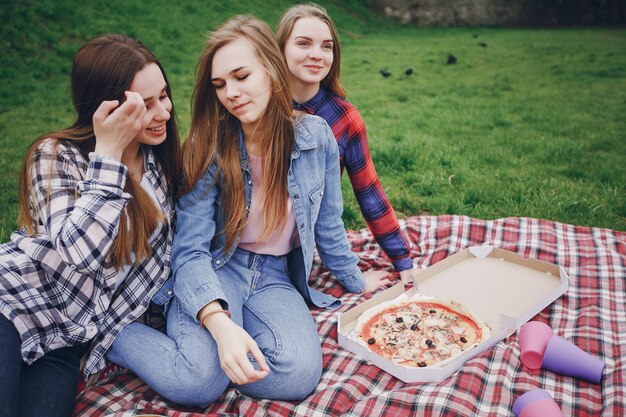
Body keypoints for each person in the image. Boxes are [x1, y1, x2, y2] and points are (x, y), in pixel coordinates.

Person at [106, 15, 388, 407]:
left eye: (242, 76)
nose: (231, 93)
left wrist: (357, 281)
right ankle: (116, 337)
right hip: (219, 268)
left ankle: (218, 361)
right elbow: (189, 251)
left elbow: (329, 225)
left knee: (297, 376)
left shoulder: (317, 137)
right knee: (198, 385)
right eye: (220, 85)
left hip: (276, 277)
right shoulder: (209, 146)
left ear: (272, 70)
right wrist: (219, 325)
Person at [0, 34, 181, 417]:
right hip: (12, 303)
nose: (164, 112)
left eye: (163, 96)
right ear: (105, 110)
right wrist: (110, 153)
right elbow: (79, 252)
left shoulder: (159, 169)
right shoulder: (54, 156)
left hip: (63, 341)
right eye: (145, 105)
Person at [276, 3, 418, 285]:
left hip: (305, 246)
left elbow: (369, 193)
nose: (316, 54)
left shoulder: (344, 118)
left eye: (326, 46)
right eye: (303, 43)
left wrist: (402, 260)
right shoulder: (261, 107)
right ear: (280, 49)